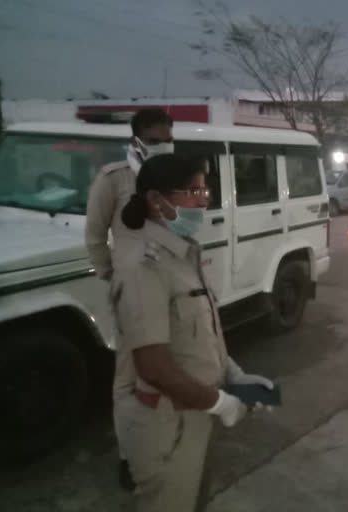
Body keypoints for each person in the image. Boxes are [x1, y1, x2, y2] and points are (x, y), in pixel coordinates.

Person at [113, 154, 273, 511]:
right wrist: (220, 403)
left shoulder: (183, 256)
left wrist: (236, 377)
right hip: (165, 426)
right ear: (157, 200)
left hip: (196, 413)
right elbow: (152, 365)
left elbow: (201, 336)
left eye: (205, 190)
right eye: (194, 191)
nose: (204, 200)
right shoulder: (144, 266)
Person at [85, 108, 175, 491]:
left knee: (167, 367)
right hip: (132, 289)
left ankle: (163, 441)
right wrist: (114, 277)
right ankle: (128, 455)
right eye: (155, 140)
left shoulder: (173, 176)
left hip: (170, 285)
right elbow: (94, 237)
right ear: (137, 138)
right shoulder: (113, 179)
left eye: (167, 139)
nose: (163, 146)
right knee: (129, 377)